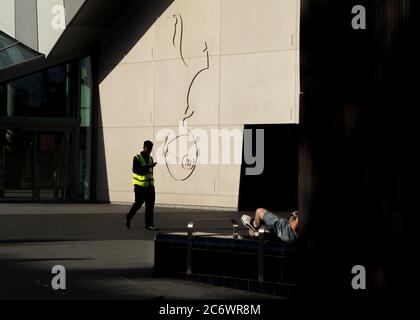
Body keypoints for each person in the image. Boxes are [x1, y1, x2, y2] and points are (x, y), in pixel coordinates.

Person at [125, 140, 158, 231]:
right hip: (140, 187)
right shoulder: (137, 158)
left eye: (151, 149)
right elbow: (135, 170)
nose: (150, 150)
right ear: (144, 147)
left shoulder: (151, 158)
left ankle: (149, 225)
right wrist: (148, 166)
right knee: (138, 204)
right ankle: (129, 217)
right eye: (148, 148)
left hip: (150, 187)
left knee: (150, 206)